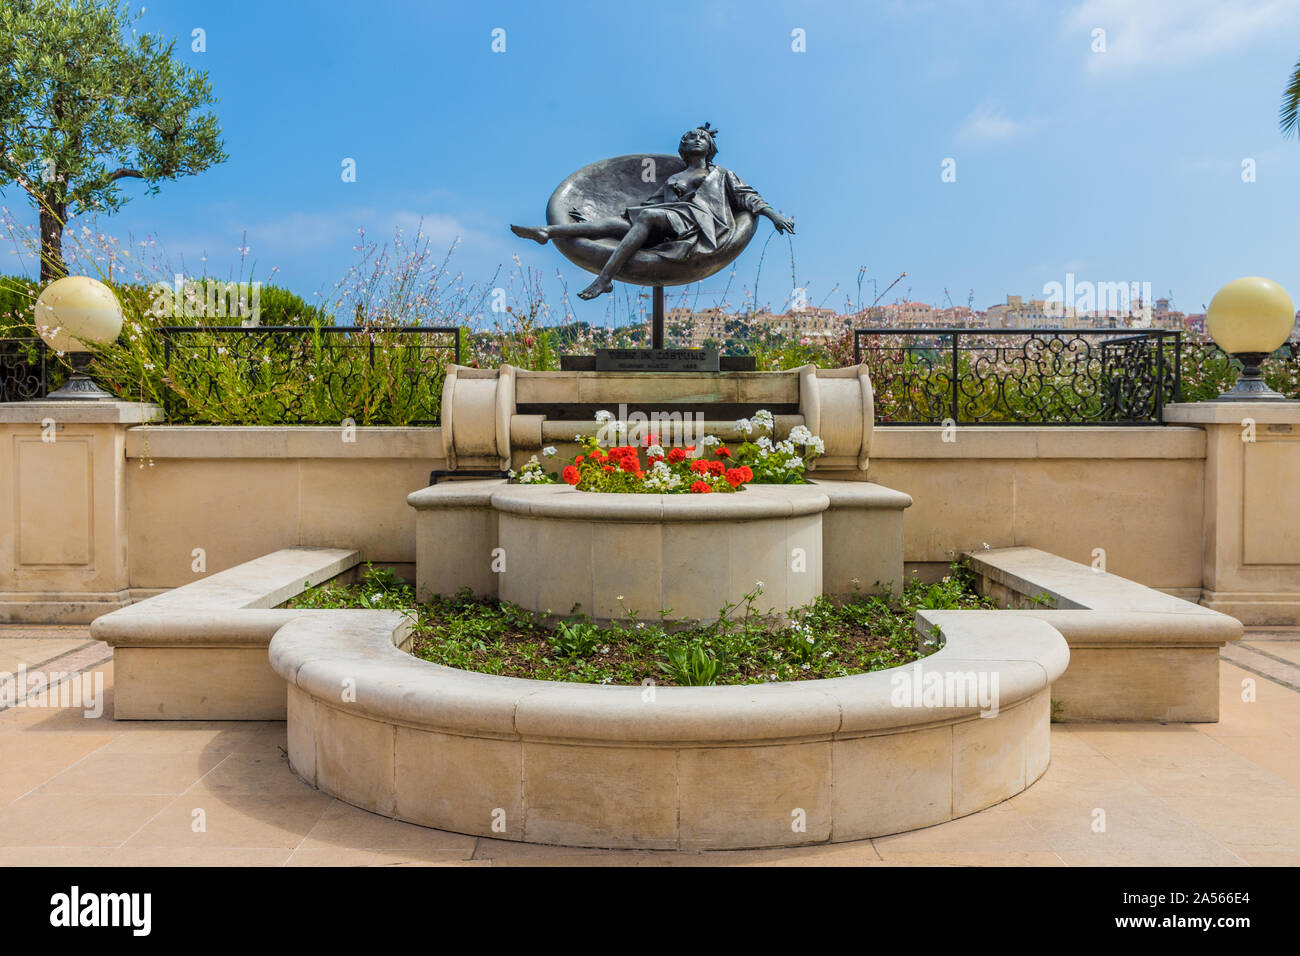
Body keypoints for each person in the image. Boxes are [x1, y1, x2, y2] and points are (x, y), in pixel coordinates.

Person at [511, 123, 794, 300]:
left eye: (701, 137)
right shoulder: (675, 177)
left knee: (646, 218)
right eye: (689, 137)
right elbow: (650, 205)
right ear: (682, 148)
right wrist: (593, 221)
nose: (694, 139)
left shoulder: (720, 174)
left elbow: (747, 197)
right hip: (666, 222)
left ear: (710, 147)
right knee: (610, 225)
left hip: (695, 224)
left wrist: (773, 215)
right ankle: (547, 232)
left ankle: (604, 279)